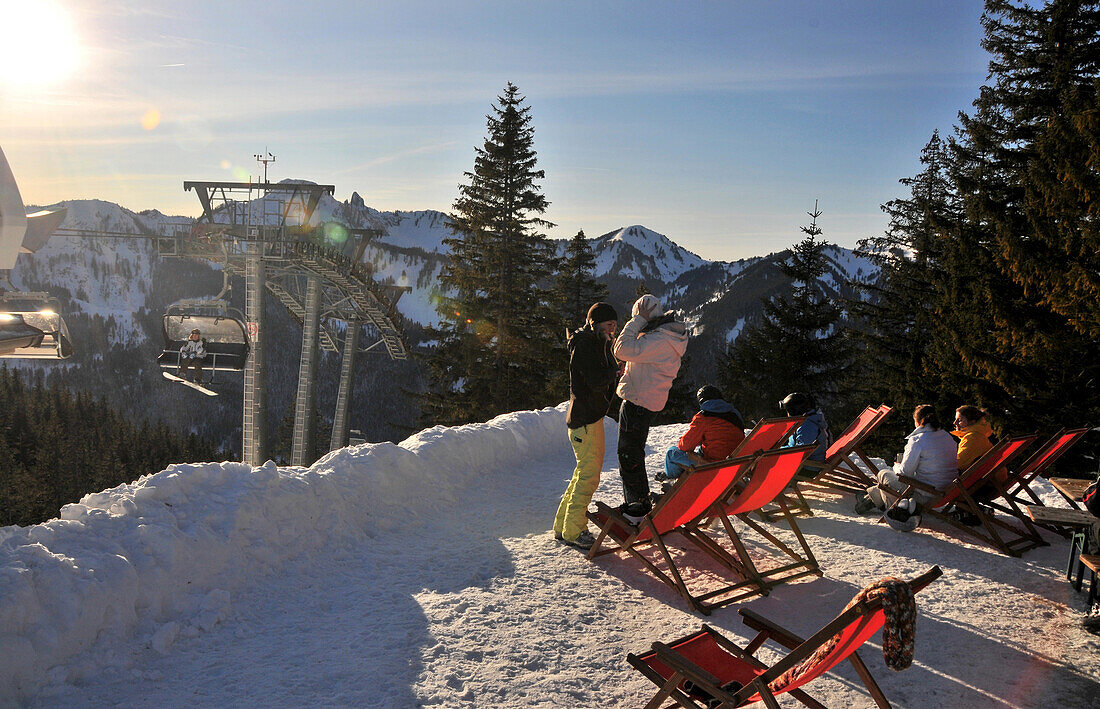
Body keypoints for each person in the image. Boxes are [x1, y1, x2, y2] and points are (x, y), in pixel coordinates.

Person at [612, 294, 689, 523]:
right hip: (648, 401)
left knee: (628, 454)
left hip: (637, 402)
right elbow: (646, 362)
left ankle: (637, 506)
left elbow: (621, 348)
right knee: (634, 450)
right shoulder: (667, 337)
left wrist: (636, 321)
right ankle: (639, 500)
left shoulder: (657, 340)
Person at [553, 303, 620, 550]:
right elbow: (594, 380)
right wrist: (615, 373)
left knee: (583, 473)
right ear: (595, 324)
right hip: (586, 420)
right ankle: (574, 530)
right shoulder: (586, 346)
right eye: (608, 324)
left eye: (614, 325)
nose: (612, 329)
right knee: (589, 477)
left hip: (586, 418)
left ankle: (563, 526)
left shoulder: (594, 343)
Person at [855, 404, 958, 530]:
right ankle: (868, 499)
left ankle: (889, 506)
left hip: (924, 494)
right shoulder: (947, 437)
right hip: (944, 491)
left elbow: (905, 473)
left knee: (883, 474)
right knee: (888, 481)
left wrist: (896, 466)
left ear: (918, 421)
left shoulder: (918, 440)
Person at [659, 385, 746, 482]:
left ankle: (673, 481)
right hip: (736, 462)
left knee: (672, 453)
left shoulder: (704, 416)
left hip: (712, 466)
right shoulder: (735, 413)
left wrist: (684, 439)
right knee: (701, 450)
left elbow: (685, 446)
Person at [779, 392, 831, 463]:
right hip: (805, 463)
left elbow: (800, 452)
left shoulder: (807, 426)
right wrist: (777, 450)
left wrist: (776, 453)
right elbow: (793, 447)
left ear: (793, 411)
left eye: (788, 411)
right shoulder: (804, 422)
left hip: (808, 467)